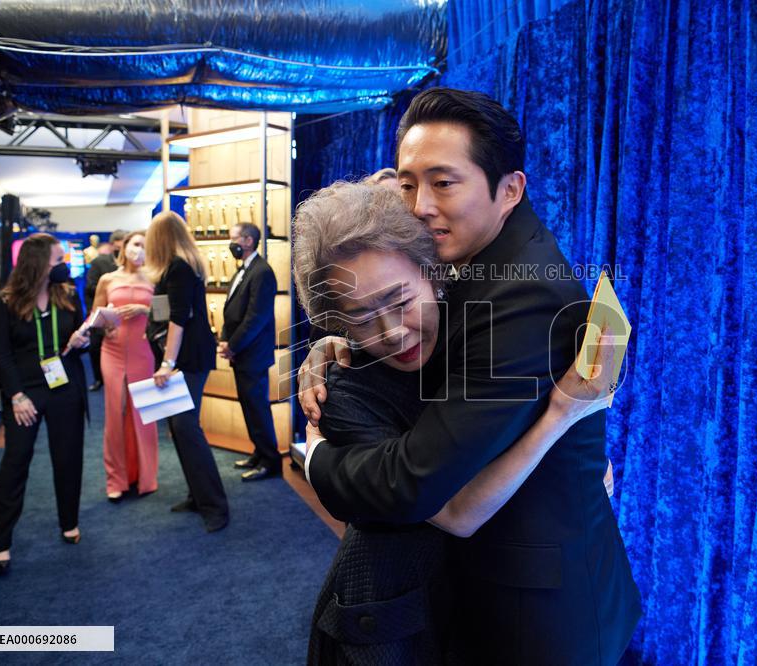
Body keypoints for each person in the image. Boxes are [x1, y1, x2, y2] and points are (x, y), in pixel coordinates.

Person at [299, 88, 641, 664]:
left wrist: (315, 457)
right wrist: (340, 337)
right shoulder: (470, 258)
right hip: (503, 575)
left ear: (510, 188)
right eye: (408, 184)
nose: (419, 205)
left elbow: (421, 487)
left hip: (540, 611)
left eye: (443, 182)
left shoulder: (522, 294)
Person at [0, 233, 90, 574]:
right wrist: (15, 396)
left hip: (64, 387)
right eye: (57, 260)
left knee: (68, 458)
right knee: (15, 463)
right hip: (25, 393)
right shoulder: (6, 302)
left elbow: (83, 340)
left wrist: (81, 340)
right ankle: (0, 542)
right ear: (38, 264)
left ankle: (69, 522)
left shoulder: (69, 294)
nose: (64, 265)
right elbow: (0, 354)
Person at [145, 211, 228, 533]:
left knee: (186, 427)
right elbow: (166, 312)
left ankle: (214, 505)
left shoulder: (179, 267)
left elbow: (179, 319)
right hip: (184, 355)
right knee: (180, 428)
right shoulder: (175, 267)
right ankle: (199, 496)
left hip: (188, 357)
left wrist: (166, 363)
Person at [91, 231, 158, 501]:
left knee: (144, 414)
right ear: (125, 247)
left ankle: (146, 476)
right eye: (135, 244)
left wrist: (144, 310)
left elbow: (166, 315)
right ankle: (116, 479)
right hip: (113, 350)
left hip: (143, 351)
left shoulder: (155, 278)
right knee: (114, 414)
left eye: (144, 245)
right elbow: (94, 315)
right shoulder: (108, 278)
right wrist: (103, 324)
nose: (138, 249)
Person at [218, 222, 281, 481]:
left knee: (257, 409)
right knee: (249, 408)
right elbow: (231, 309)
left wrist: (232, 346)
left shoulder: (262, 271)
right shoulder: (244, 270)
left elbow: (256, 318)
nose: (230, 243)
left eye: (233, 238)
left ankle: (270, 461)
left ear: (248, 241)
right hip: (241, 353)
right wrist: (225, 340)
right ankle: (259, 452)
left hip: (252, 354)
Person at [84, 230, 124, 391]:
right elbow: (90, 287)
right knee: (95, 347)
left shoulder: (133, 266)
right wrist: (112, 289)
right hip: (102, 311)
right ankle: (99, 379)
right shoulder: (100, 262)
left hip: (123, 314)